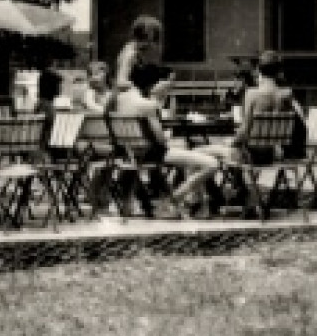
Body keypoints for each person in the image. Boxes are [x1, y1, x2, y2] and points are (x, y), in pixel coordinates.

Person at [108, 56, 220, 218]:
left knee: (189, 153)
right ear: (151, 85)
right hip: (152, 154)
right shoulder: (148, 105)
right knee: (212, 163)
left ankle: (190, 201)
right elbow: (160, 140)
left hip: (128, 153)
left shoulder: (118, 100)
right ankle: (177, 197)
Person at [194, 51, 304, 213]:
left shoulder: (252, 94)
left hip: (249, 155)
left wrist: (232, 142)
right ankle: (238, 196)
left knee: (197, 152)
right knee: (222, 151)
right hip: (272, 153)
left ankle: (208, 200)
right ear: (278, 72)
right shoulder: (285, 94)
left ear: (258, 70)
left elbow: (245, 130)